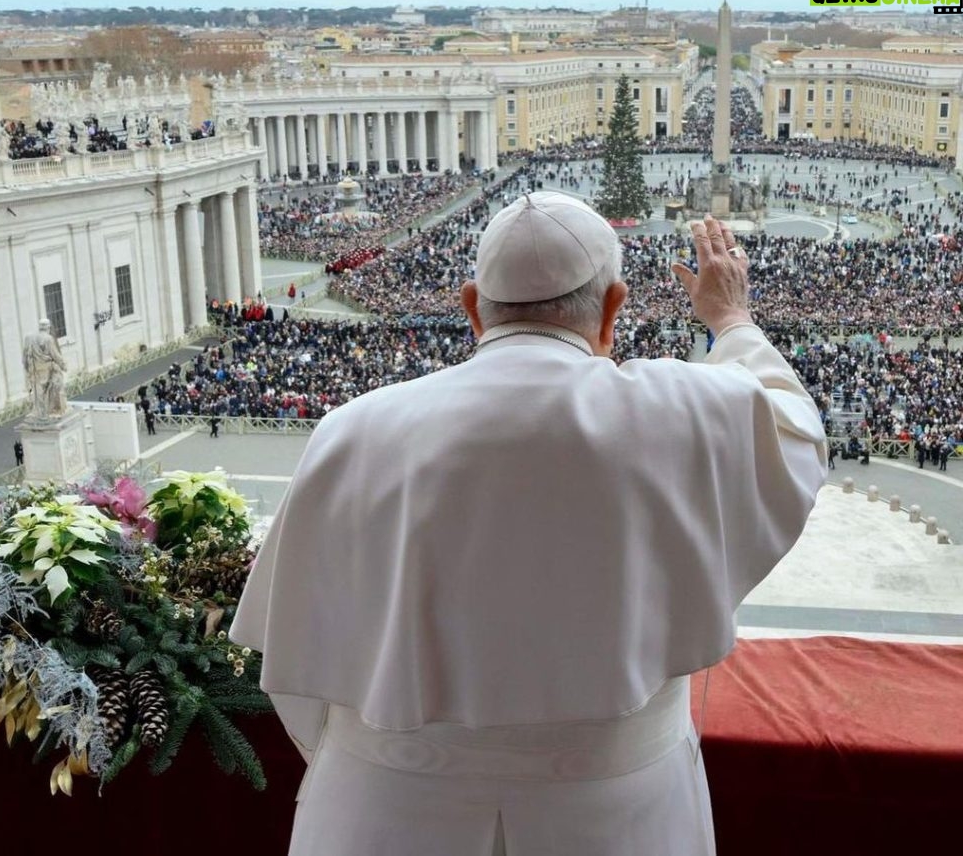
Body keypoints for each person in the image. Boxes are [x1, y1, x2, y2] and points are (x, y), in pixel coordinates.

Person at [231, 195, 826, 856]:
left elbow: (297, 674)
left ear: (471, 309)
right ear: (612, 310)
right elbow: (797, 435)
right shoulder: (678, 410)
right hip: (617, 817)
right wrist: (732, 319)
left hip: (383, 812)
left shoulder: (350, 431)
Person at [22, 318, 68, 421]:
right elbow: (55, 355)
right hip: (45, 370)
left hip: (33, 370)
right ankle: (51, 410)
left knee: (38, 392)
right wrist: (63, 366)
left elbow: (24, 357)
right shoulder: (48, 339)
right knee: (52, 389)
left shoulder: (29, 338)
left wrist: (26, 368)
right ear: (48, 328)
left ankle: (40, 413)